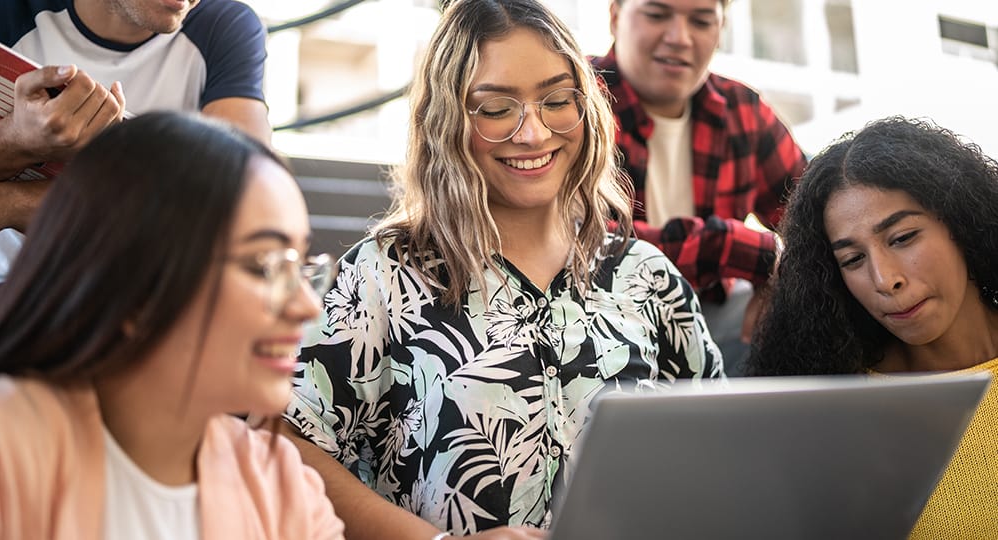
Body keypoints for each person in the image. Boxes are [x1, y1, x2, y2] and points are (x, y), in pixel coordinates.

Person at [280, 0, 724, 538]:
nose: (534, 134)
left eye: (557, 101)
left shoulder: (647, 274)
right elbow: (289, 443)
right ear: (446, 121)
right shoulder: (382, 274)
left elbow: (719, 443)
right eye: (495, 110)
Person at [0, 112, 344, 539]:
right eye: (267, 267)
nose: (307, 306)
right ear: (134, 286)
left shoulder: (285, 488)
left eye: (304, 267)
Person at [747, 116, 998, 538]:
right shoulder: (838, 410)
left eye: (902, 238)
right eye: (852, 260)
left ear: (961, 221)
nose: (885, 280)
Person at [0, 0, 271, 305]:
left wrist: (11, 204)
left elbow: (250, 201)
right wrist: (17, 140)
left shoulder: (222, 25)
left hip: (135, 296)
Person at [590, 0, 807, 374]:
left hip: (711, 320)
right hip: (596, 318)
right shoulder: (570, 98)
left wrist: (784, 271)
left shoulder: (743, 111)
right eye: (657, 15)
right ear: (614, 16)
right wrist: (735, 248)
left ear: (721, 30)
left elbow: (819, 216)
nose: (679, 38)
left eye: (702, 20)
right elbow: (579, 238)